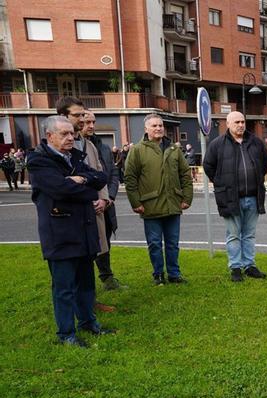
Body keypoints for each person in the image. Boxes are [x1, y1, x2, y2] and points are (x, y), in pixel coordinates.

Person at [28, 116, 113, 347]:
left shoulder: (75, 156)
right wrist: (87, 189)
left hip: (84, 232)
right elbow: (60, 189)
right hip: (60, 234)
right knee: (64, 288)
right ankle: (66, 333)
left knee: (86, 284)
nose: (70, 138)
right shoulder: (39, 161)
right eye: (64, 134)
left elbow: (101, 177)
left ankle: (88, 323)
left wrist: (80, 180)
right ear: (49, 136)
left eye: (71, 133)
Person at [124, 114, 193, 285]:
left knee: (172, 243)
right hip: (150, 205)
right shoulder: (137, 150)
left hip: (173, 204)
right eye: (154, 126)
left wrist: (187, 197)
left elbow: (185, 174)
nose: (158, 128)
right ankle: (158, 274)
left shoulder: (174, 149)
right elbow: (130, 178)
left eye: (160, 125)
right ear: (146, 129)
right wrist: (135, 202)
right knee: (154, 244)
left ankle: (174, 274)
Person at [202, 111, 267, 282]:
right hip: (230, 197)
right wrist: (220, 182)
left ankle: (250, 265)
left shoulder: (255, 142)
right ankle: (235, 267)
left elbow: (264, 164)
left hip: (253, 197)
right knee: (233, 234)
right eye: (237, 122)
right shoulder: (217, 144)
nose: (240, 125)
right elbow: (208, 166)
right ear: (228, 124)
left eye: (242, 122)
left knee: (249, 234)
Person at [80, 110, 124, 292]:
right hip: (87, 206)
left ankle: (107, 277)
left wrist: (108, 197)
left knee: (104, 242)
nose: (91, 126)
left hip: (105, 205)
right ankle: (86, 286)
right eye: (87, 122)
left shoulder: (103, 147)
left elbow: (112, 174)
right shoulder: (75, 147)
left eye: (93, 122)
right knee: (87, 246)